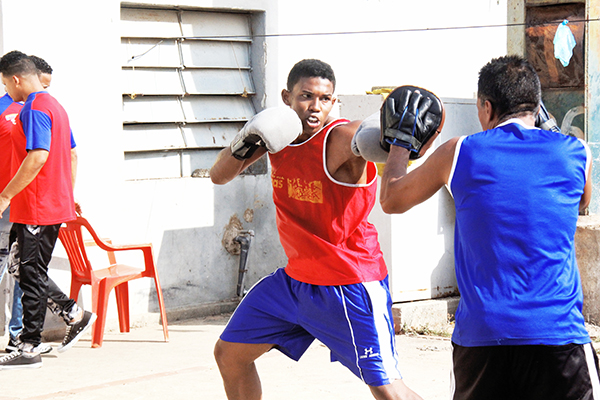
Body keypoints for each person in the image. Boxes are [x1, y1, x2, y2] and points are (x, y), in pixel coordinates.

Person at [378, 55, 598, 399]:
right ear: (537, 106)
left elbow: (392, 199)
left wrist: (400, 144)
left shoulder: (460, 151)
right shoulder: (576, 151)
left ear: (485, 106)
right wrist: (553, 133)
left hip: (483, 338)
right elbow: (581, 202)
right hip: (557, 336)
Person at [210, 59, 423, 400]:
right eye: (307, 96)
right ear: (287, 97)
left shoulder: (337, 137)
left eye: (325, 99)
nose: (316, 107)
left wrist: (390, 133)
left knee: (386, 388)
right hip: (295, 283)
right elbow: (218, 175)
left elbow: (364, 138)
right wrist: (245, 140)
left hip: (349, 282)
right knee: (230, 355)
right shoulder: (275, 137)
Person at [0, 51, 95, 370]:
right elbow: (70, 154)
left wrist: (5, 195)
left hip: (38, 206)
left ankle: (29, 348)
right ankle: (73, 313)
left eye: (4, 83)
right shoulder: (53, 106)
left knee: (30, 273)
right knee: (21, 268)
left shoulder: (36, 109)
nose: (6, 91)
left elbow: (38, 156)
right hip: (36, 205)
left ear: (15, 79)